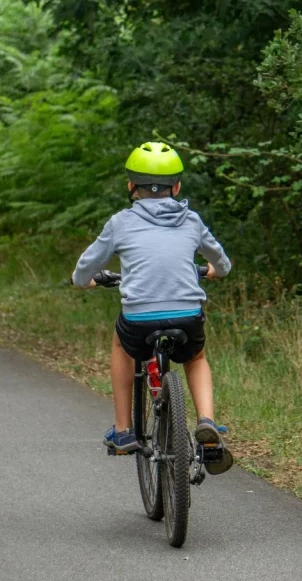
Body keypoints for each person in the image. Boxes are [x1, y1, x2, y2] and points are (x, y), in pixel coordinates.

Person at [71, 141, 233, 473]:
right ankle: (207, 422)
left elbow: (84, 268)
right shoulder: (192, 220)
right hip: (187, 316)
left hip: (139, 318)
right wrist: (216, 271)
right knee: (196, 356)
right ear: (177, 186)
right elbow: (221, 262)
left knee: (122, 345)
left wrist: (84, 280)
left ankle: (123, 430)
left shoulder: (120, 222)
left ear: (131, 186)